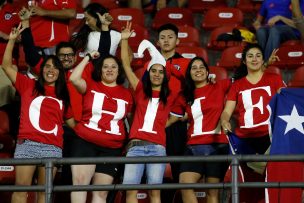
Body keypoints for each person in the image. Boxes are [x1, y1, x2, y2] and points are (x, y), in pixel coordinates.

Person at [2, 24, 74, 203]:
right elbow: (5, 65)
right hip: (28, 144)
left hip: (53, 147)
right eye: (47, 66)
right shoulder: (28, 85)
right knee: (21, 189)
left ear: (60, 72)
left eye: (55, 67)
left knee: (44, 192)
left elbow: (73, 123)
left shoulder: (64, 95)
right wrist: (11, 41)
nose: (51, 70)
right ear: (41, 70)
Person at [120, 22, 183, 203]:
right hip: (135, 147)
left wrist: (163, 62)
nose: (157, 74)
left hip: (157, 148)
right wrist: (125, 40)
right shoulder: (140, 89)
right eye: (153, 71)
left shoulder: (170, 94)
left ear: (165, 75)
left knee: (155, 193)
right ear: (148, 73)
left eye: (160, 72)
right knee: (130, 192)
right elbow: (125, 64)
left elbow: (185, 77)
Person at [68, 44, 133, 202]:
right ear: (100, 70)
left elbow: (130, 119)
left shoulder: (128, 94)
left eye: (113, 67)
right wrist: (87, 58)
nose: (109, 70)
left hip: (112, 148)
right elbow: (73, 78)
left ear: (119, 71)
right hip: (85, 142)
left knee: (101, 193)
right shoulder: (91, 85)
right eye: (105, 67)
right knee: (80, 185)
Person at [168, 56, 230, 203]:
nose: (198, 70)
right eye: (194, 68)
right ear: (189, 73)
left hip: (217, 145)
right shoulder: (184, 95)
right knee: (185, 183)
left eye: (201, 67)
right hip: (193, 146)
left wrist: (266, 65)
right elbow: (171, 119)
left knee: (212, 193)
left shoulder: (219, 86)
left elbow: (244, 79)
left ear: (208, 71)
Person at [220, 43, 286, 156]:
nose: (254, 59)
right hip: (244, 139)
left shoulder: (275, 79)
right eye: (250, 56)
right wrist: (224, 121)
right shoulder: (236, 85)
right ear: (245, 61)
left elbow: (286, 102)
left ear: (262, 60)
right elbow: (227, 111)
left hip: (270, 136)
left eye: (258, 55)